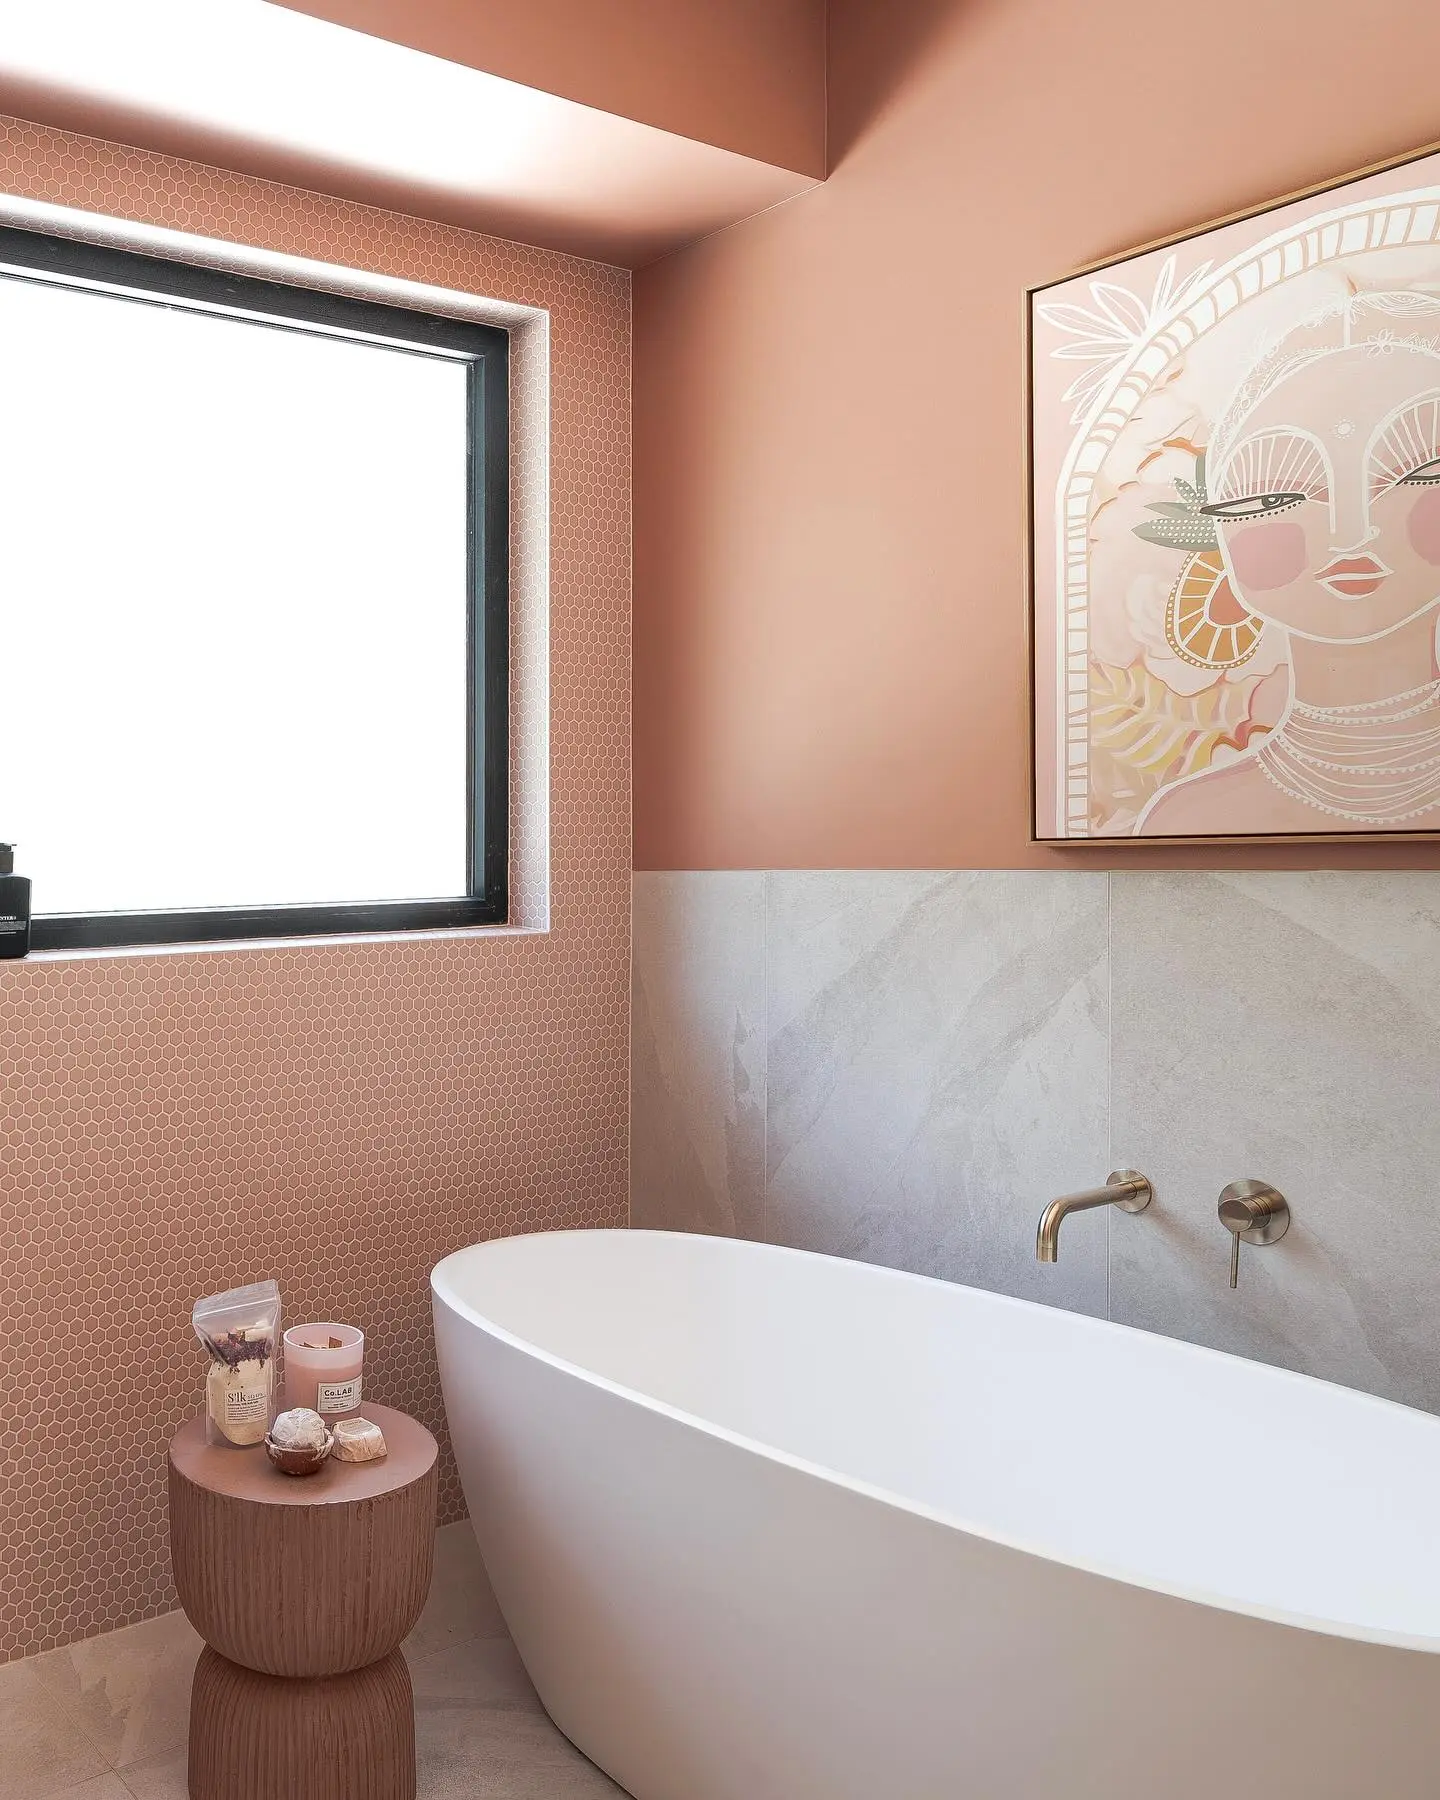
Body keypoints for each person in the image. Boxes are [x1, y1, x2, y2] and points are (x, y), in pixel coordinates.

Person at [1136, 292, 1440, 834]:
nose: (1351, 531)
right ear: (1222, 538)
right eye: (1275, 498)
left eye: (1418, 475)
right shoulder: (1186, 818)